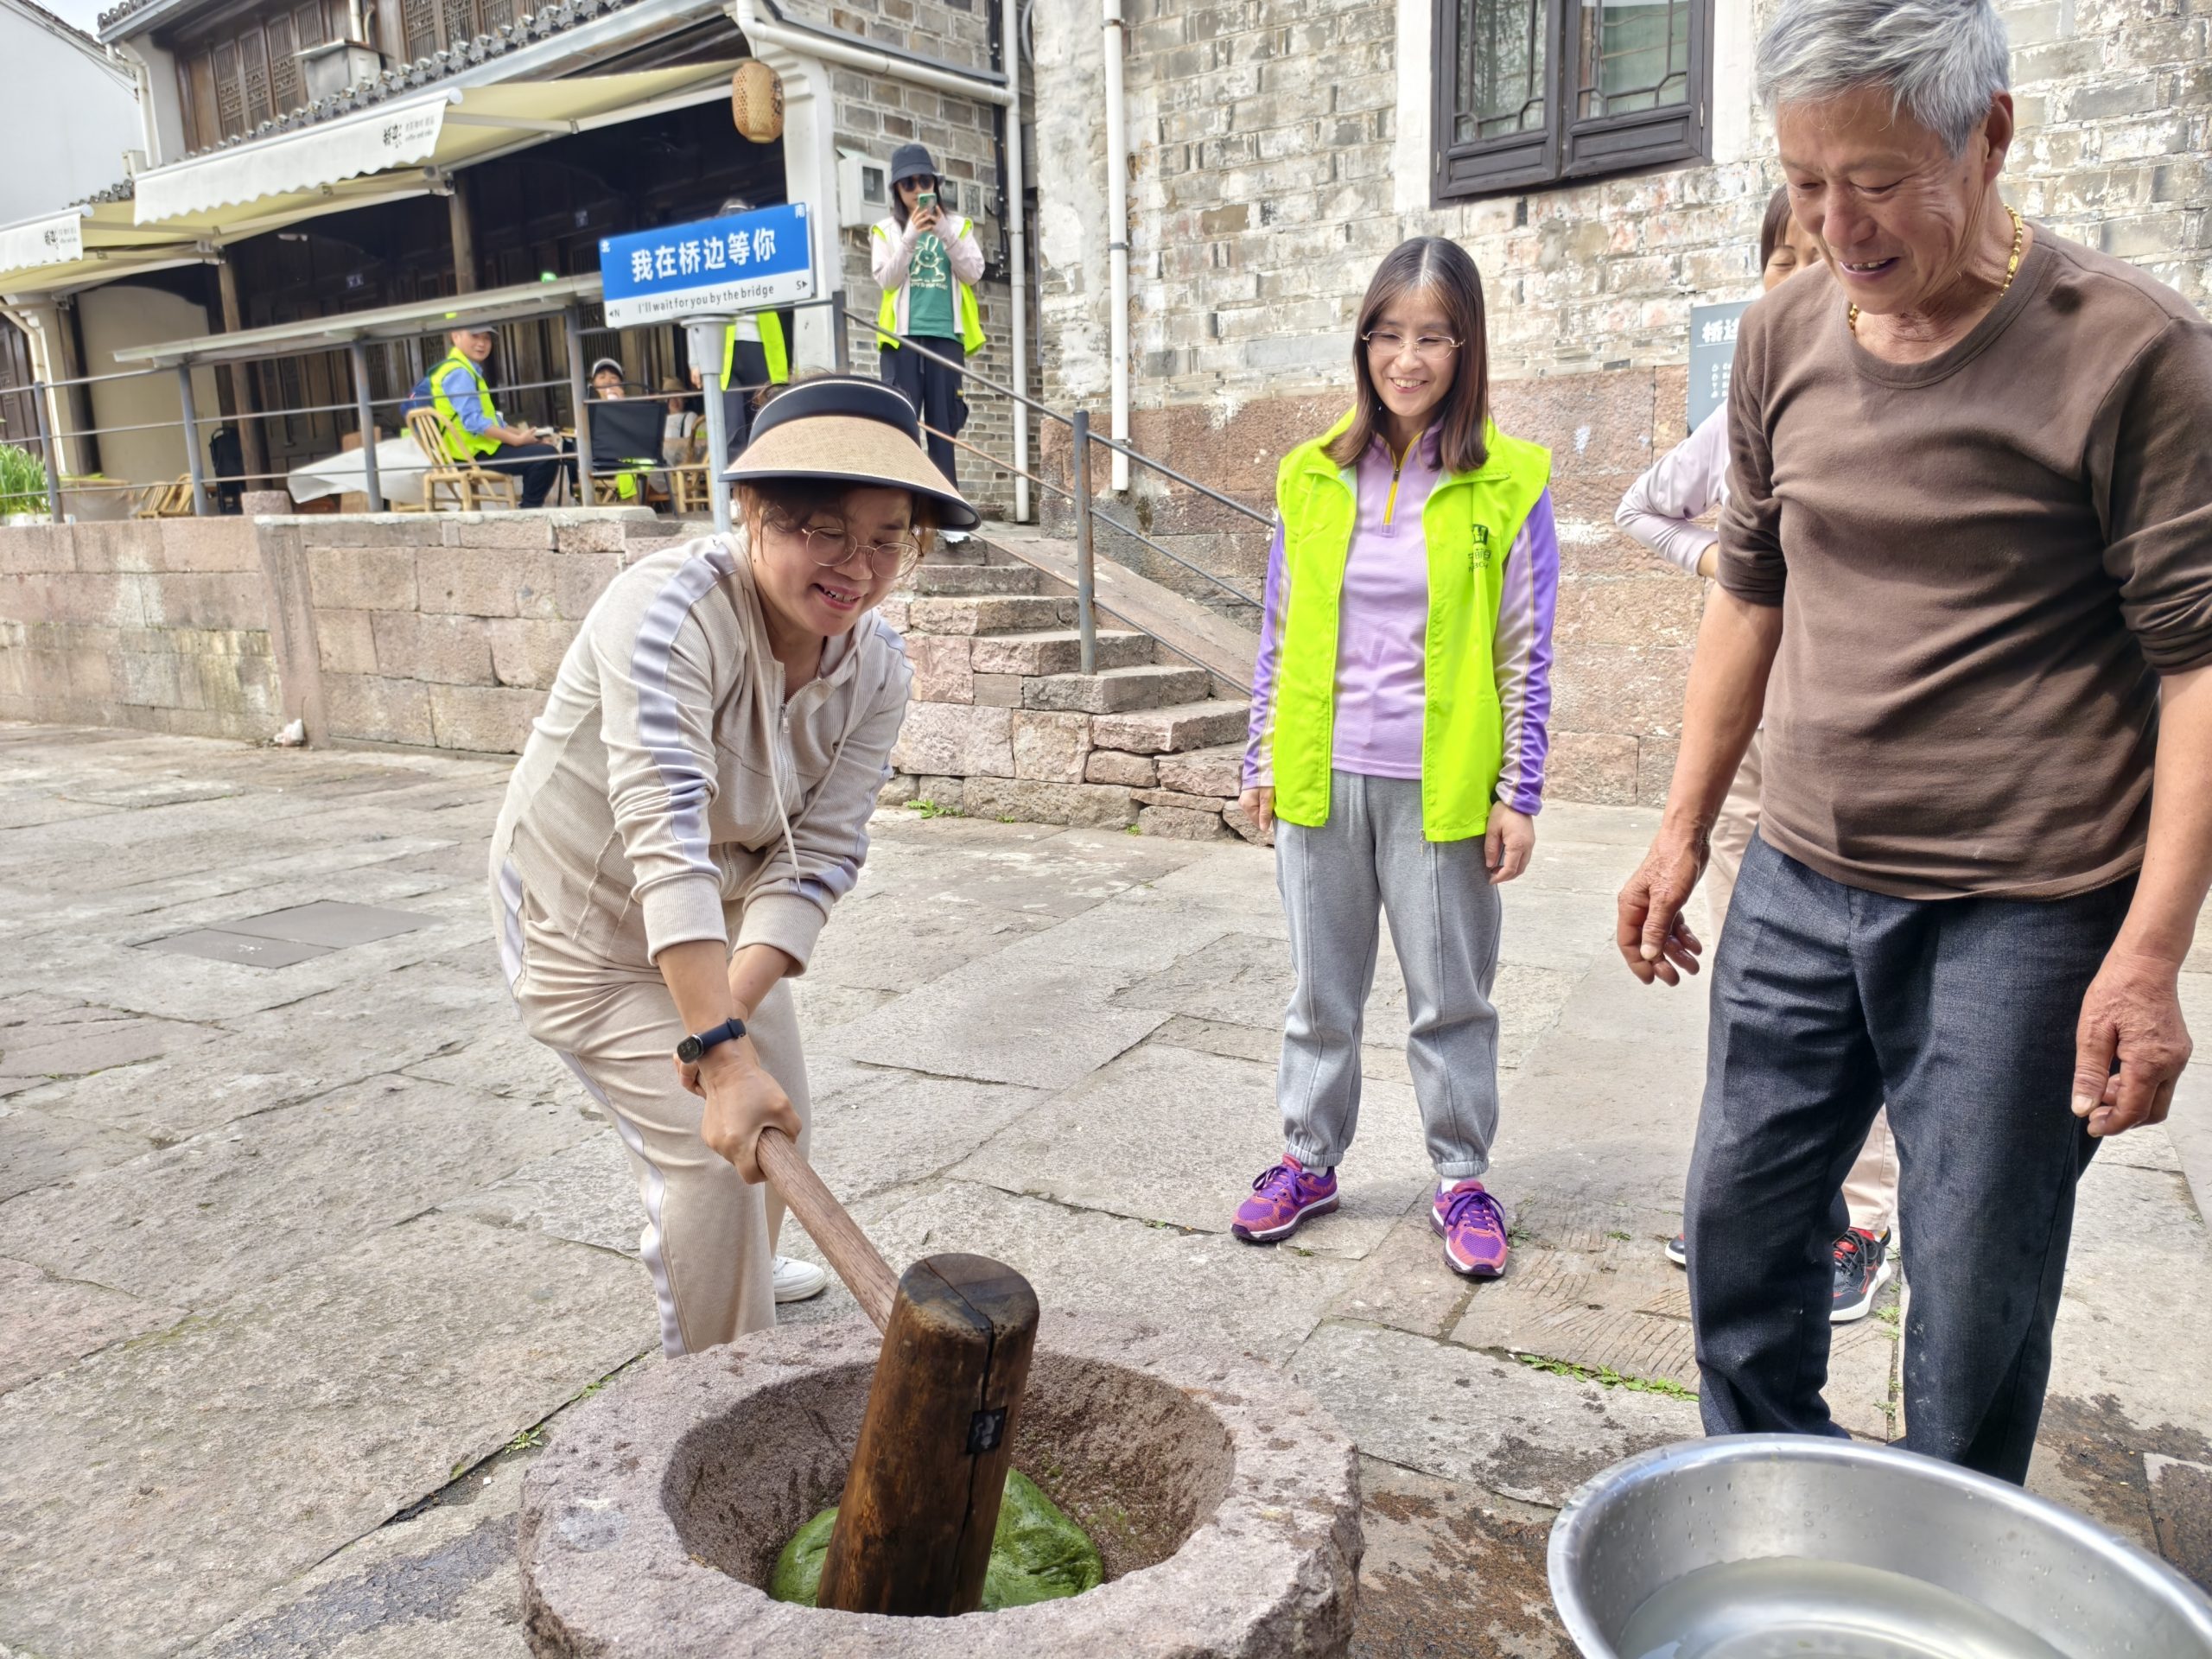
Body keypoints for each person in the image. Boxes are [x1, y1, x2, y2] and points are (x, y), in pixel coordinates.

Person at [1616, 0, 2212, 1483]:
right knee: (1740, 1231)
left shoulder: (2135, 354)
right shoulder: (1782, 334)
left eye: (1878, 182)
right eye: (1806, 183)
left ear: (1990, 132)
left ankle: (1946, 1557)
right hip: (1799, 877)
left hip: (2026, 907)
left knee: (1974, 1284)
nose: (1838, 228)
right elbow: (1749, 588)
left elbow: (2199, 667)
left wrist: (2149, 955)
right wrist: (1682, 829)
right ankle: (1771, 1506)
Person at [489, 376, 980, 1352]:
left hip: (714, 920)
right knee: (712, 1161)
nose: (858, 568)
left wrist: (724, 1032)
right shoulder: (668, 610)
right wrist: (717, 1054)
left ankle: (736, 1260)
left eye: (888, 540)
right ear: (753, 511)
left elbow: (821, 852)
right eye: (826, 532)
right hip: (583, 920)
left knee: (773, 1119)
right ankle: (718, 1390)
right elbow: (662, 834)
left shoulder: (877, 666)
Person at [1233, 237, 1560, 1281]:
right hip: (1320, 776)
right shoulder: (1311, 475)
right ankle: (1308, 1160)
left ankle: (1461, 1178)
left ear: (1466, 347)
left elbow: (1524, 650)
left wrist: (1519, 792)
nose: (1405, 359)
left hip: (1442, 788)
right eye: (1386, 334)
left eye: (1431, 337)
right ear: (1362, 342)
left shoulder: (1509, 481)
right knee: (1319, 996)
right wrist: (1260, 759)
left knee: (1450, 999)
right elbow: (1278, 632)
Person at [1614, 188, 1901, 1325]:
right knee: (1756, 984)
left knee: (1868, 997)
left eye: (1824, 255)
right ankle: (1755, 1201)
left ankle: (1860, 1217)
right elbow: (1642, 510)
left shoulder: (1896, 394)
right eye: (1785, 258)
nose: (1807, 275)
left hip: (1867, 759)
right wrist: (1726, 565)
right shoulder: (1748, 410)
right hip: (1748, 751)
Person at [872, 143, 984, 513]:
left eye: (925, 181)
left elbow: (974, 272)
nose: (917, 190)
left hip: (946, 337)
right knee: (902, 424)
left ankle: (947, 513)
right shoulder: (886, 230)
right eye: (908, 184)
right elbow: (886, 280)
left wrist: (945, 233)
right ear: (897, 189)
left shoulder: (959, 226)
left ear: (935, 184)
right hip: (901, 340)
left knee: (944, 426)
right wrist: (910, 238)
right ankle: (904, 513)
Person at [690, 196, 792, 464]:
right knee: (732, 425)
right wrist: (695, 361)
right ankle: (736, 487)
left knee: (763, 419)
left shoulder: (763, 255)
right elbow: (695, 310)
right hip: (723, 352)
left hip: (761, 348)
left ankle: (765, 480)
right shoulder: (711, 263)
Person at [428, 323, 569, 509]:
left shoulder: (462, 369)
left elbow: (495, 421)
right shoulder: (459, 372)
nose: (482, 343)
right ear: (456, 336)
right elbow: (474, 422)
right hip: (469, 455)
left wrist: (527, 438)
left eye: (486, 338)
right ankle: (528, 513)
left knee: (541, 449)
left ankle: (528, 510)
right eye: (475, 336)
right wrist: (516, 441)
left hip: (475, 450)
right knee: (546, 456)